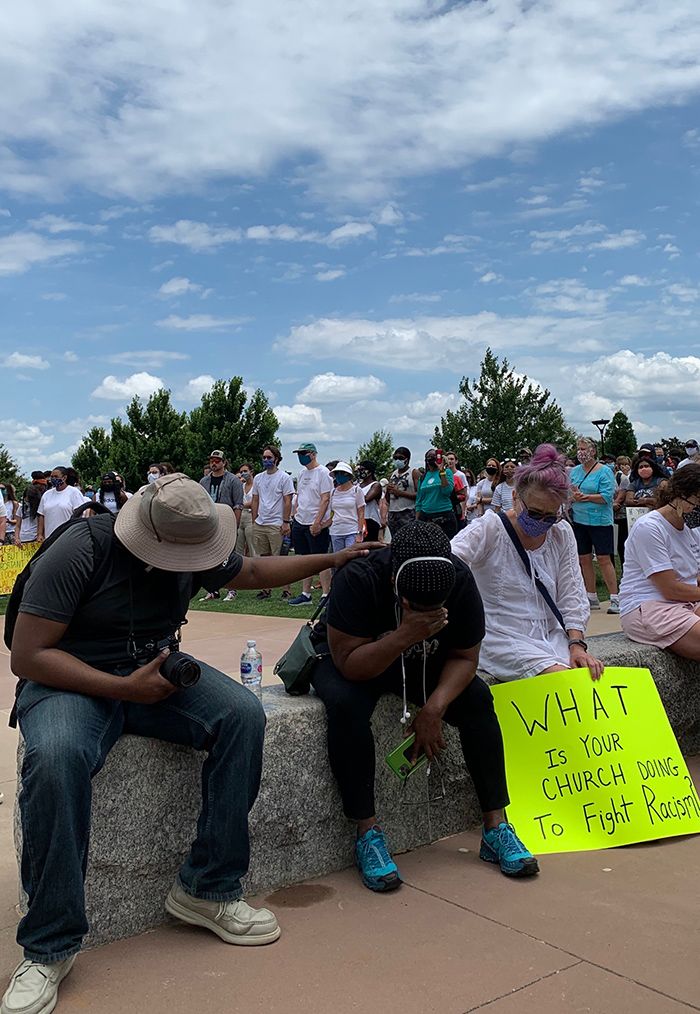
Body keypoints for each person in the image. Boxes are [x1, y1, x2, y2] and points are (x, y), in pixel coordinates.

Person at [2, 473, 377, 1014]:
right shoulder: (81, 550)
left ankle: (208, 887)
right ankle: (48, 946)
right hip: (70, 679)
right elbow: (28, 655)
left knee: (243, 715)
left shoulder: (191, 542)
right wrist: (123, 688)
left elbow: (248, 570)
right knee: (55, 758)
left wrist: (328, 561)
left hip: (152, 670)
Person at [310, 521, 539, 894]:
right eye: (416, 605)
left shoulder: (460, 580)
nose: (428, 613)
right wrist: (405, 634)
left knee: (479, 700)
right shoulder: (359, 576)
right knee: (345, 707)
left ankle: (496, 827)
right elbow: (350, 663)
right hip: (356, 659)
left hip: (423, 659)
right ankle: (367, 832)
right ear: (394, 583)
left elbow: (466, 656)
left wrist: (434, 709)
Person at [451, 445, 603, 681]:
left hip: (550, 635)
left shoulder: (561, 532)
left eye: (550, 516)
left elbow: (571, 592)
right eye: (534, 513)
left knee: (587, 676)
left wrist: (576, 644)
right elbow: (449, 562)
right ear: (515, 497)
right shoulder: (489, 528)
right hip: (499, 635)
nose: (542, 522)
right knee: (562, 679)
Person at [619, 464, 700, 659]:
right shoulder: (649, 528)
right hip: (649, 605)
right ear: (680, 495)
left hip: (686, 603)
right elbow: (670, 589)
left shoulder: (692, 531)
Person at [569, 437, 619, 615]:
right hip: (579, 519)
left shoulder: (604, 471)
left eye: (584, 448)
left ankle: (615, 597)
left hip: (600, 521)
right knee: (584, 558)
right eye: (578, 448)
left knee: (604, 559)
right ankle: (591, 596)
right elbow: (570, 490)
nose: (581, 452)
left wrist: (587, 497)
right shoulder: (574, 471)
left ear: (593, 451)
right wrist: (572, 496)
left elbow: (607, 496)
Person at [289, 442, 333, 606]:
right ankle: (305, 593)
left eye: (304, 453)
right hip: (301, 520)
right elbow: (299, 495)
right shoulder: (301, 473)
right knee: (304, 558)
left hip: (315, 521)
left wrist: (318, 522)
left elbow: (325, 498)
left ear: (313, 454)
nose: (301, 456)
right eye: (299, 453)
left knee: (320, 558)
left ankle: (325, 593)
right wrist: (296, 513)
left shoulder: (323, 473)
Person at [250, 446, 294, 601]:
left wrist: (285, 521)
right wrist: (254, 519)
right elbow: (255, 499)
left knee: (280, 559)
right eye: (264, 457)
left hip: (276, 523)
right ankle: (266, 588)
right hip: (260, 523)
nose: (266, 460)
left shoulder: (284, 478)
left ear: (276, 459)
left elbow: (288, 501)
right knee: (263, 558)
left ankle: (286, 589)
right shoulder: (258, 478)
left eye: (269, 457)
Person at [37, 467, 88, 540]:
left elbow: (79, 514)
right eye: (52, 477)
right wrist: (39, 534)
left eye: (56, 477)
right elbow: (41, 515)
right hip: (49, 537)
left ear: (64, 478)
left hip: (67, 537)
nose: (53, 479)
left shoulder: (74, 492)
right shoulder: (47, 494)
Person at [415, 449, 456, 537]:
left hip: (444, 516)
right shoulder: (423, 477)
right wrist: (417, 520)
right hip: (426, 516)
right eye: (429, 457)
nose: (431, 459)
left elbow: (447, 491)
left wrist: (442, 472)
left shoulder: (447, 472)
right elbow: (419, 500)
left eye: (434, 457)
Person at [199, 451, 243, 526]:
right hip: (209, 519)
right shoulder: (203, 481)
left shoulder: (233, 480)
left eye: (217, 461)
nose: (214, 463)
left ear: (224, 463)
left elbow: (238, 505)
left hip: (226, 519)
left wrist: (235, 525)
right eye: (211, 461)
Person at [329, 462, 365, 551]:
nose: (338, 476)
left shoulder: (357, 490)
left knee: (350, 557)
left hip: (351, 530)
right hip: (336, 530)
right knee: (338, 560)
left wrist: (359, 533)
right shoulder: (333, 492)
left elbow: (361, 512)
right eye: (337, 473)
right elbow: (332, 513)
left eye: (341, 473)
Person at [385, 447, 420, 535]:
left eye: (400, 458)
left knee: (408, 538)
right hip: (393, 512)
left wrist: (400, 493)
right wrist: (388, 490)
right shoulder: (393, 474)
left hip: (408, 511)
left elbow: (419, 495)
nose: (397, 460)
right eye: (395, 458)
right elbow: (387, 498)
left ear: (407, 459)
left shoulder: (414, 473)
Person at [356, 460, 382, 542]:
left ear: (369, 471)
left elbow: (366, 499)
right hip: (359, 520)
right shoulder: (357, 485)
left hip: (371, 520)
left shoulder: (376, 485)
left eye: (362, 469)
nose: (360, 472)